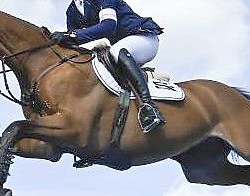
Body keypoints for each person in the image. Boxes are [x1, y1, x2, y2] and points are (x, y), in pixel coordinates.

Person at [50, 0, 165, 132]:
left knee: (115, 52)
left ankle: (149, 107)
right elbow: (76, 44)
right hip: (117, 50)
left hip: (143, 38)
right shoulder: (72, 10)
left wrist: (71, 35)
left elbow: (108, 27)